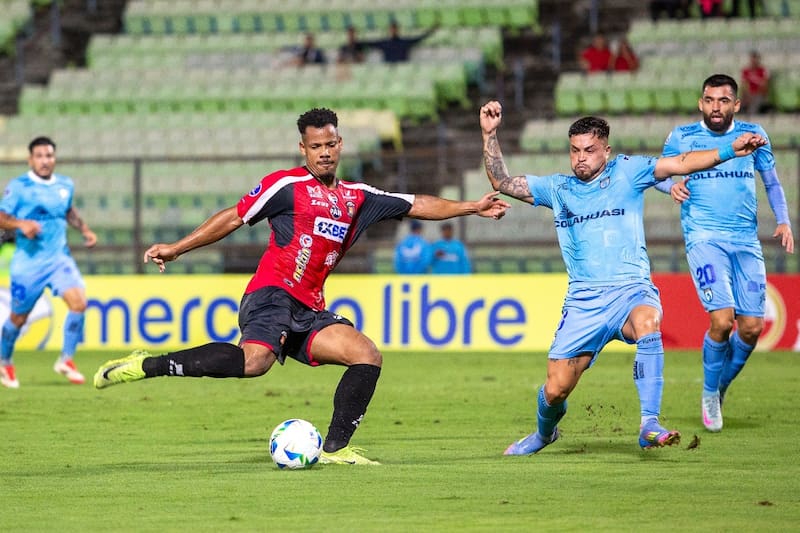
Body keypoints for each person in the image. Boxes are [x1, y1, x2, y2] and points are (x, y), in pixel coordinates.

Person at [93, 108, 509, 465]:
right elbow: (234, 217)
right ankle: (147, 364)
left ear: (340, 144)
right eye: (315, 147)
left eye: (330, 144)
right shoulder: (285, 186)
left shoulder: (358, 196)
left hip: (309, 308)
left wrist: (472, 206)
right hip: (271, 293)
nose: (324, 152)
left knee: (366, 355)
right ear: (303, 150)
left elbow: (416, 203)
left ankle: (334, 448)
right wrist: (177, 249)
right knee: (255, 362)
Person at [478, 100, 766, 455]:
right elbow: (502, 182)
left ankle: (649, 423)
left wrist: (728, 149)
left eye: (589, 150)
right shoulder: (558, 188)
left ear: (606, 150)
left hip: (632, 290)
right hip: (584, 301)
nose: (580, 158)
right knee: (555, 390)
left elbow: (681, 163)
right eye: (574, 151)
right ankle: (543, 434)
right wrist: (489, 134)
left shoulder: (628, 171)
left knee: (648, 320)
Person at [654, 74, 794, 433]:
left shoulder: (753, 135)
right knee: (722, 320)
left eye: (723, 100)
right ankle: (707, 392)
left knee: (751, 328)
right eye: (709, 100)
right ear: (701, 103)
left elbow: (772, 181)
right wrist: (671, 186)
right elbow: (655, 173)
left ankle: (719, 388)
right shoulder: (682, 137)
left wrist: (783, 221)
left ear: (736, 104)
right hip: (703, 238)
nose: (716, 106)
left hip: (745, 241)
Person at [0, 136, 97, 389]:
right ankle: (4, 361)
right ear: (30, 159)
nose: (45, 161)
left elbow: (68, 211)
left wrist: (85, 229)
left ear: (54, 158)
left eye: (49, 156)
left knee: (79, 303)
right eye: (40, 156)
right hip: (28, 264)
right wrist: (21, 223)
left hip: (59, 259)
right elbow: (1, 216)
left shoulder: (65, 184)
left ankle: (66, 360)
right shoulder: (19, 186)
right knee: (18, 319)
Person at [358, 20, 437, 63]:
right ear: (389, 30)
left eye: (395, 29)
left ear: (398, 30)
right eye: (392, 29)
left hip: (403, 70)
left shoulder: (404, 42)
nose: (393, 31)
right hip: (388, 70)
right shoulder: (384, 43)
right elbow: (369, 43)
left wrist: (431, 31)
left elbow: (418, 38)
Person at [740, 51, 770, 115]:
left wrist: (755, 94)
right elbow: (744, 85)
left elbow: (765, 85)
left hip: (759, 94)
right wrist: (747, 95)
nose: (753, 61)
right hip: (749, 94)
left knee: (753, 107)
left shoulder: (762, 70)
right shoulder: (746, 71)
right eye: (752, 59)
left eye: (755, 59)